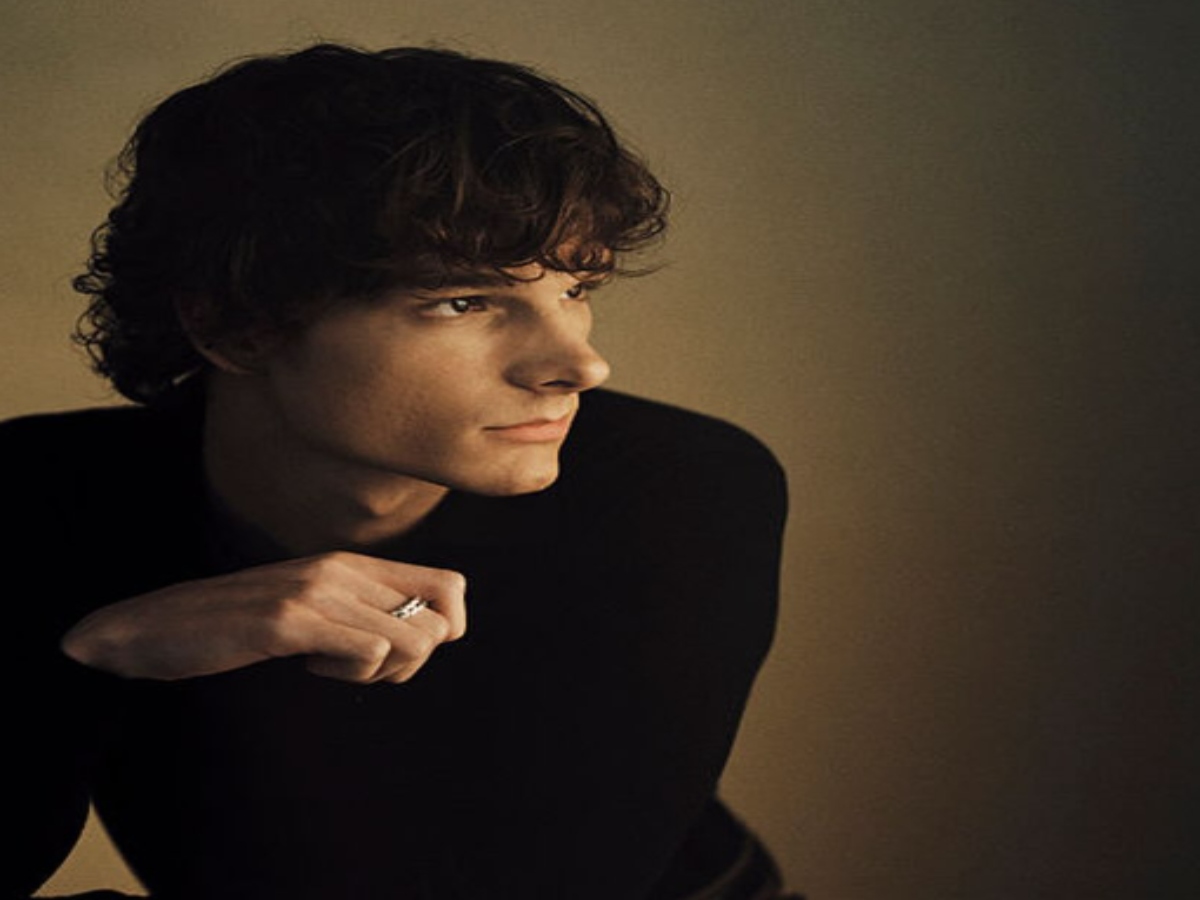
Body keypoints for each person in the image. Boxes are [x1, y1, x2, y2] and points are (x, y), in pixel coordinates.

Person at [4, 43, 797, 900]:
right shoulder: (38, 495)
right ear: (235, 326)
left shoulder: (678, 489)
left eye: (575, 290)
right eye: (464, 301)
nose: (580, 364)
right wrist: (88, 659)